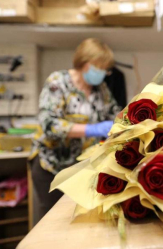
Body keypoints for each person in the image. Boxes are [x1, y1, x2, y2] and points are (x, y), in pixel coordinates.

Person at [30, 39, 120, 224]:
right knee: (52, 222)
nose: (103, 73)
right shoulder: (58, 82)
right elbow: (49, 124)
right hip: (52, 166)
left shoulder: (100, 89)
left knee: (79, 221)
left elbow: (115, 113)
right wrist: (92, 129)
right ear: (86, 64)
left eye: (105, 69)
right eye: (100, 68)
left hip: (81, 168)